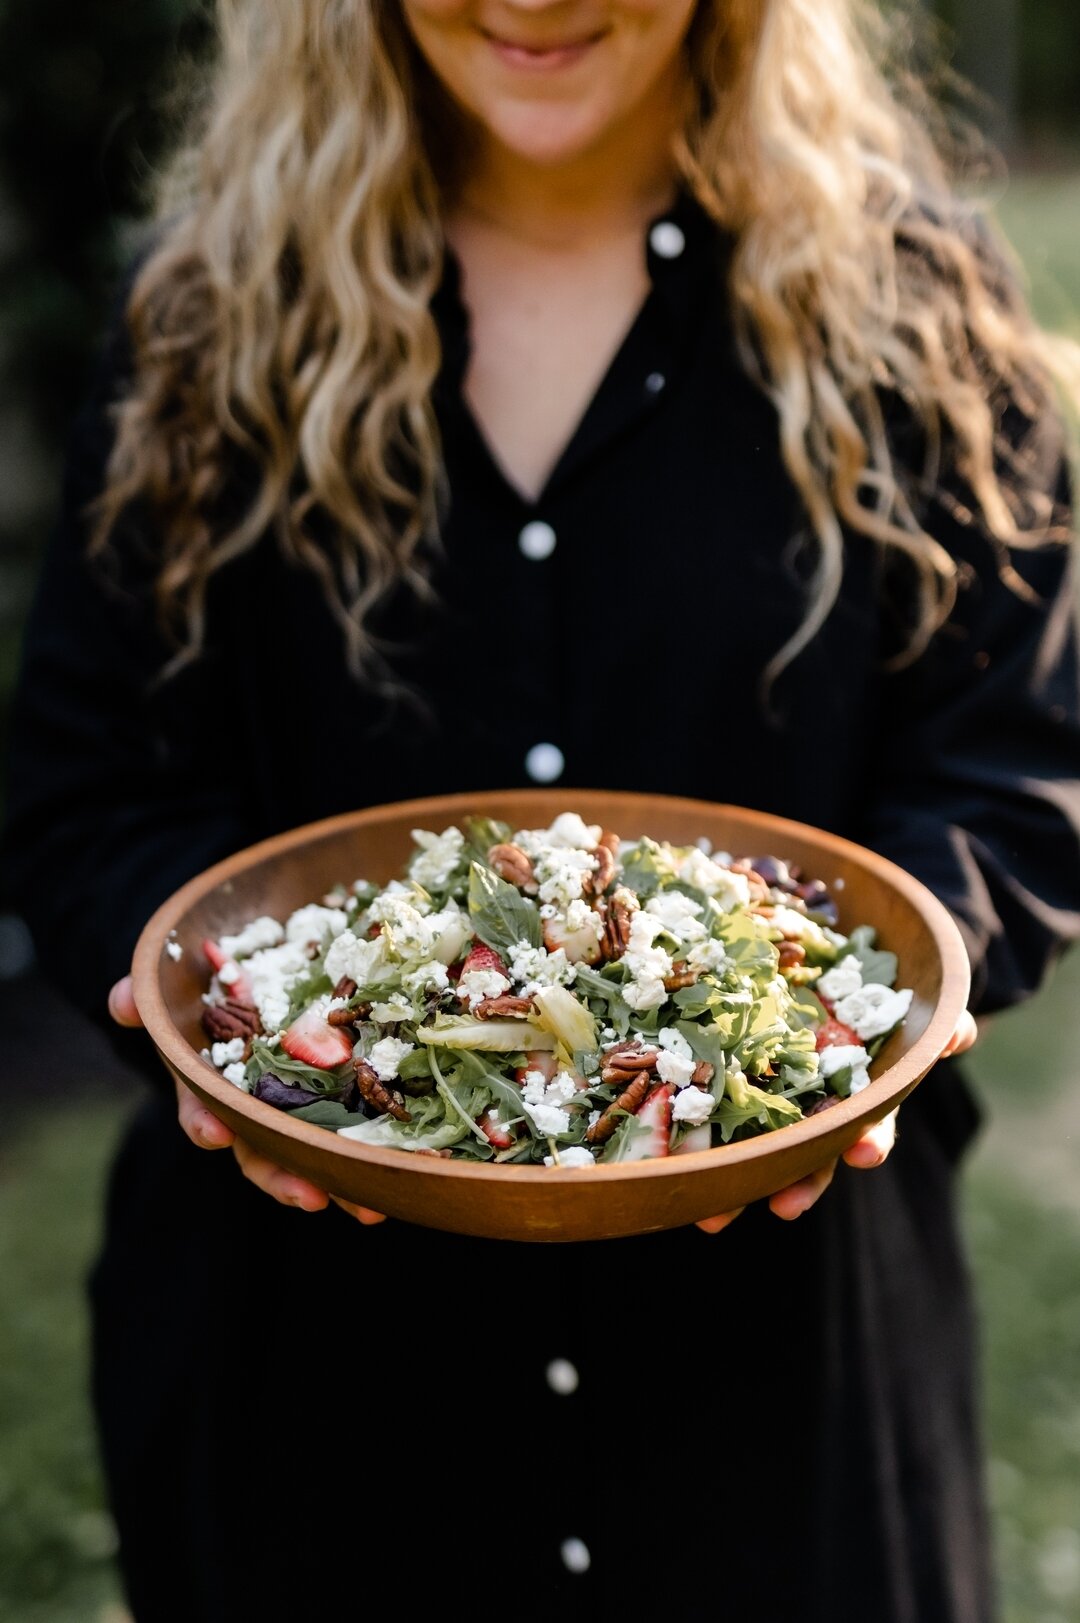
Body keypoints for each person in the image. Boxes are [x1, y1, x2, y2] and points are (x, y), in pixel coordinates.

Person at [3, 1, 1079, 1618]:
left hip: (779, 1415)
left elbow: (1017, 774)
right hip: (316, 1414)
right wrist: (233, 1023)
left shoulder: (914, 304)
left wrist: (861, 1011)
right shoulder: (207, 319)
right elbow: (92, 792)